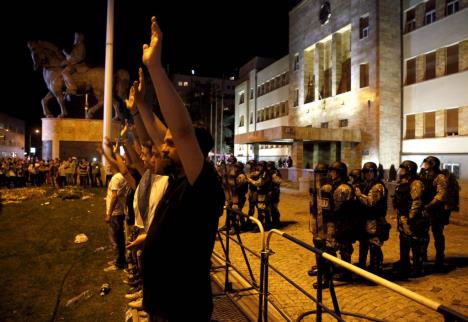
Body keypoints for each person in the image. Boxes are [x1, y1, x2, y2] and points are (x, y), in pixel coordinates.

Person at [141, 17, 225, 321]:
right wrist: (141, 107)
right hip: (163, 304)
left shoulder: (204, 186)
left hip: (183, 309)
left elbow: (182, 132)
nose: (163, 146)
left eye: (170, 143)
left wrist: (156, 69)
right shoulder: (178, 179)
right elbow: (166, 135)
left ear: (195, 152)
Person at [393, 160, 426, 278]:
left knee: (414, 242)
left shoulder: (415, 183)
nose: (400, 171)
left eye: (403, 169)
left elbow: (416, 201)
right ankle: (405, 263)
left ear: (409, 170)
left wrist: (411, 218)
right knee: (404, 241)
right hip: (402, 216)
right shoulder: (402, 183)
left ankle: (417, 267)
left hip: (411, 218)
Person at [354, 162, 389, 275]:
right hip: (365, 219)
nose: (368, 174)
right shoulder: (366, 184)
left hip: (375, 220)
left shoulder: (377, 186)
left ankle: (375, 270)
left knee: (374, 244)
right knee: (363, 243)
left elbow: (370, 202)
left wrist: (359, 195)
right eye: (366, 172)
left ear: (375, 173)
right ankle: (362, 267)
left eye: (371, 171)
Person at [419, 156, 449, 271]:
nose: (425, 164)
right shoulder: (423, 175)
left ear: (433, 164)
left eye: (427, 163)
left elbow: (440, 195)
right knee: (423, 233)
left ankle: (440, 257)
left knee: (438, 234)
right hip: (425, 209)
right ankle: (423, 255)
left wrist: (429, 205)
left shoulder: (440, 177)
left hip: (436, 209)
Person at [104, 165, 129, 272]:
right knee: (120, 238)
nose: (108, 166)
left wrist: (109, 214)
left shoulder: (116, 178)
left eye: (110, 164)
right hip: (120, 210)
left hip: (115, 213)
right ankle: (119, 259)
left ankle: (118, 263)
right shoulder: (124, 177)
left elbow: (114, 196)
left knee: (115, 239)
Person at [62, 32, 86, 97]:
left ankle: (72, 88)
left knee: (65, 72)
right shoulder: (76, 46)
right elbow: (72, 57)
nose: (75, 38)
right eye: (75, 37)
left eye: (76, 37)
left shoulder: (81, 45)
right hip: (74, 64)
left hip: (78, 65)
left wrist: (66, 55)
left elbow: (78, 58)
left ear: (79, 38)